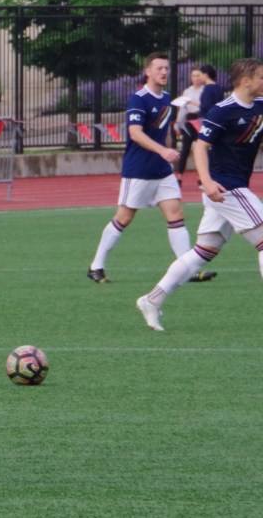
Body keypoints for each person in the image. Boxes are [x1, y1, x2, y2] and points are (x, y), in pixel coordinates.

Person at [137, 58, 263, 331]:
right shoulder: (222, 111)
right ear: (246, 81)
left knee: (203, 252)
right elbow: (199, 147)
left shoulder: (260, 105)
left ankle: (152, 300)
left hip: (229, 188)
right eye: (261, 78)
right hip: (225, 187)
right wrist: (207, 182)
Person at [87, 51, 215, 284]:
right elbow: (135, 133)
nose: (164, 72)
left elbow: (164, 133)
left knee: (176, 214)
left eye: (166, 68)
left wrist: (169, 150)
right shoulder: (139, 98)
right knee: (124, 217)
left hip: (162, 171)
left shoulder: (166, 98)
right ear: (148, 72)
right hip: (139, 170)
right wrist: (163, 151)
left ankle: (187, 269)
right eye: (159, 68)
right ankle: (96, 266)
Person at [174, 66, 204, 182]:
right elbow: (183, 109)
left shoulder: (205, 91)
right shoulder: (187, 91)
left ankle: (201, 176)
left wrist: (194, 102)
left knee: (201, 149)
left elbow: (205, 106)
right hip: (189, 120)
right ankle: (179, 176)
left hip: (200, 119)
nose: (196, 78)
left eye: (198, 75)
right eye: (193, 76)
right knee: (185, 148)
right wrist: (177, 123)